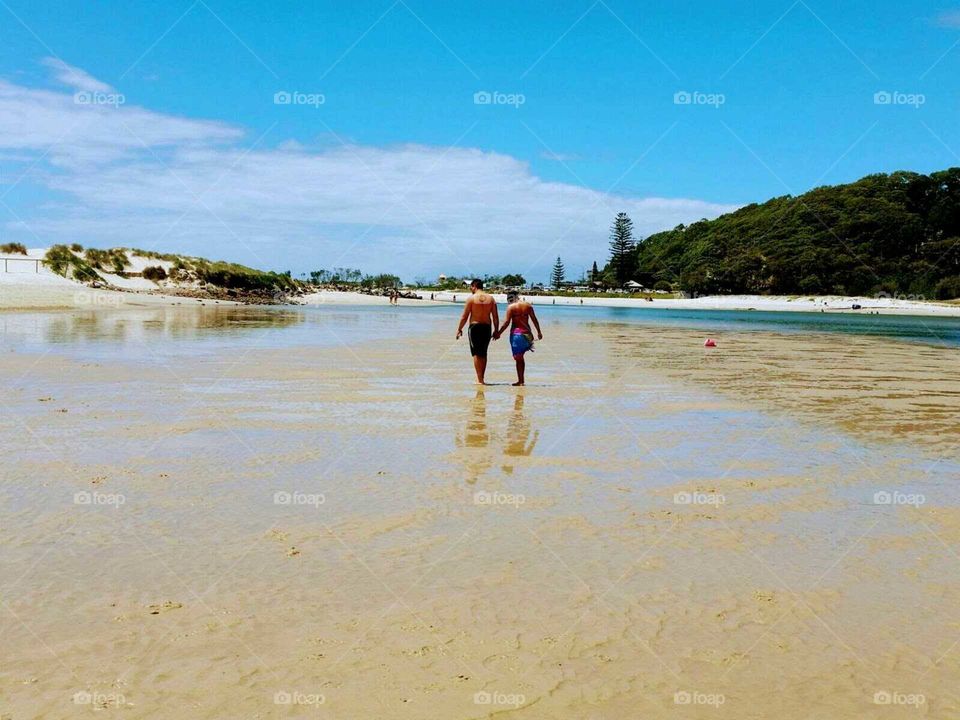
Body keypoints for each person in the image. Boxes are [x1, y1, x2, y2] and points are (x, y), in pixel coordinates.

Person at [455, 279, 499, 384]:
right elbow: (495, 317)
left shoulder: (471, 299)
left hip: (475, 327)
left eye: (471, 286)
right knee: (483, 353)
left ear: (475, 285)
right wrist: (496, 330)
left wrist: (459, 329)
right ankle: (482, 378)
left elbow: (464, 316)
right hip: (487, 327)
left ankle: (480, 380)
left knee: (476, 353)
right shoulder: (491, 299)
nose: (471, 289)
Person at [495, 291, 542, 386]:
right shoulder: (528, 306)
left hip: (517, 335)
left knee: (518, 358)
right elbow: (534, 319)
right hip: (528, 335)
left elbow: (506, 323)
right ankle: (521, 380)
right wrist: (539, 332)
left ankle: (520, 381)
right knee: (521, 357)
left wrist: (499, 333)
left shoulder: (511, 308)